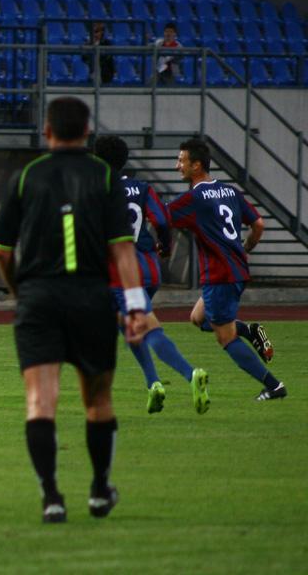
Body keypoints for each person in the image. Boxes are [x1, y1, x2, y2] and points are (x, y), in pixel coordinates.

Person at [0, 97, 150, 524]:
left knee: (41, 401)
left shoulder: (27, 176)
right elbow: (123, 250)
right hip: (91, 298)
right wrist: (136, 307)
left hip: (39, 299)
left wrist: (20, 292)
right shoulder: (105, 176)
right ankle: (99, 490)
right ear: (87, 131)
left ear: (47, 131)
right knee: (98, 400)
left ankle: (52, 497)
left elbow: (1, 252)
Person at [94, 135, 208, 414]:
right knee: (129, 326)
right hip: (149, 268)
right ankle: (153, 384)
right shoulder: (142, 188)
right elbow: (162, 221)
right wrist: (165, 248)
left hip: (122, 274)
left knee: (147, 328)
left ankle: (190, 373)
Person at [168, 138, 285, 401]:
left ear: (197, 165)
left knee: (225, 337)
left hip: (220, 275)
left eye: (181, 161)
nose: (177, 166)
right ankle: (249, 330)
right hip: (237, 270)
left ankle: (274, 386)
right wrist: (246, 248)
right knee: (198, 318)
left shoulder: (194, 198)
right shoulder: (230, 192)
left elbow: (161, 217)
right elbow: (259, 224)